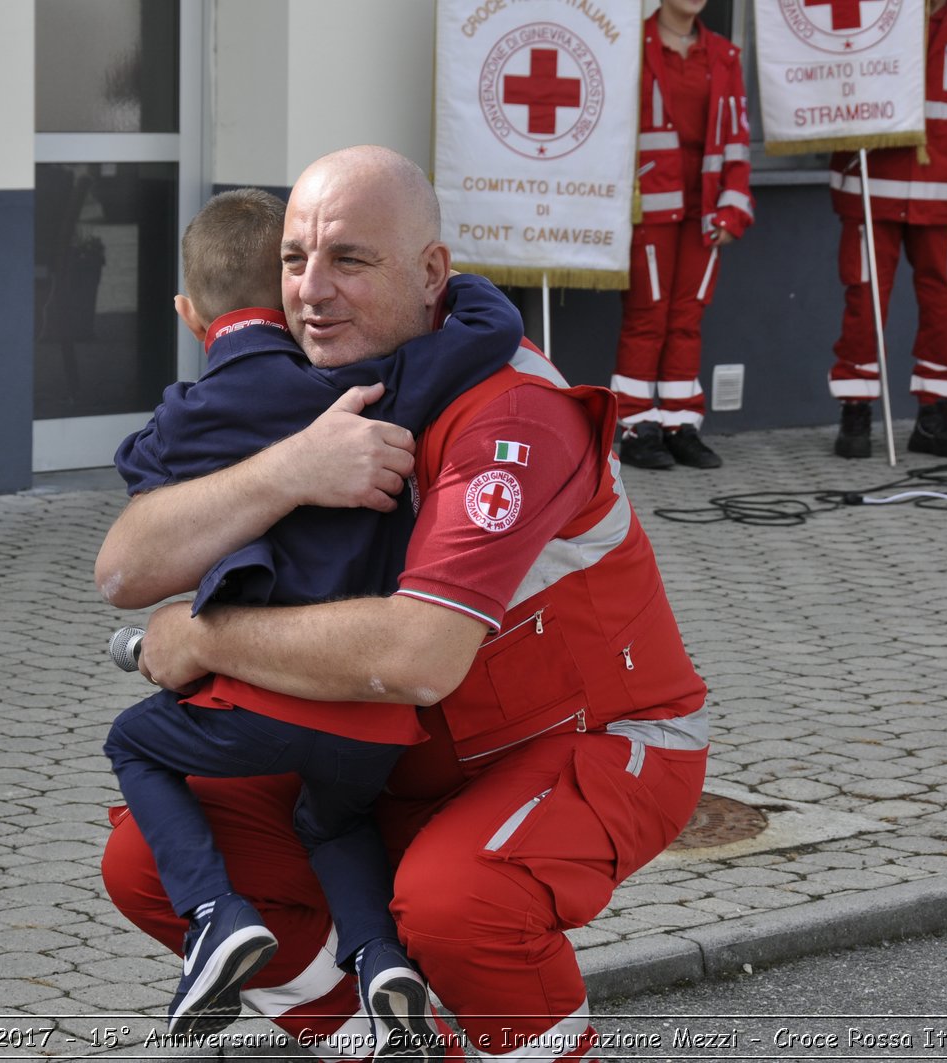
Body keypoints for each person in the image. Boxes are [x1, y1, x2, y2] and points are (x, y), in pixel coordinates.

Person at [95, 145, 709, 1063]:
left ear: (431, 273)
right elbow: (123, 569)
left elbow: (419, 654)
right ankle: (400, 1049)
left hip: (592, 742)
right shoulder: (308, 392)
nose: (311, 290)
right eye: (295, 260)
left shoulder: (509, 410)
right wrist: (291, 468)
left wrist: (208, 634)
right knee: (148, 860)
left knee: (459, 901)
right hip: (401, 755)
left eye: (349, 259)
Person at [103, 187, 522, 1048]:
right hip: (377, 723)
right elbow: (482, 336)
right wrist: (466, 289)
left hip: (263, 707)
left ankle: (217, 915)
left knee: (133, 741)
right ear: (287, 292)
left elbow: (134, 476)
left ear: (187, 312)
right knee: (335, 819)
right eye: (301, 263)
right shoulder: (369, 388)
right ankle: (380, 959)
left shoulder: (184, 414)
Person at [828, 0, 947, 460]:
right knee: (864, 301)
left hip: (941, 188)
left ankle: (935, 416)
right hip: (870, 182)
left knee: (944, 299)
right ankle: (856, 411)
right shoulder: (869, 10)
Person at [615, 0, 752, 471]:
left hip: (706, 208)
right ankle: (636, 425)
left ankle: (679, 423)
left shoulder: (725, 55)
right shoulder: (629, 46)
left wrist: (734, 207)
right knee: (647, 316)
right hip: (648, 207)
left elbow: (737, 138)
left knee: (688, 316)